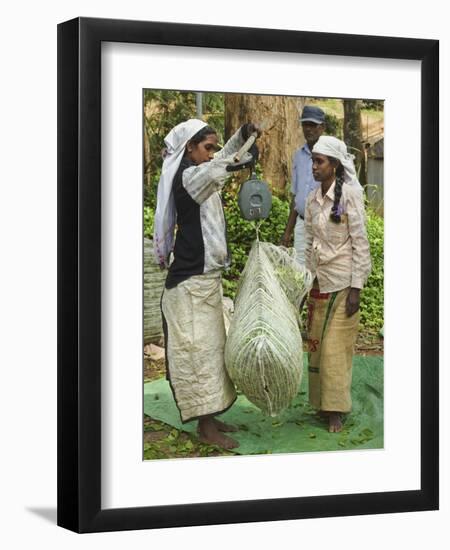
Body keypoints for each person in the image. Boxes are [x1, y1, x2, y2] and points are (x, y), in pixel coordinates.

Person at [153, 118, 260, 450]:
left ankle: (211, 418)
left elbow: (222, 159)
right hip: (188, 287)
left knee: (213, 355)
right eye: (207, 147)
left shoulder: (202, 169)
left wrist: (243, 133)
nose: (212, 153)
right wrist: (241, 157)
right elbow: (221, 167)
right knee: (198, 359)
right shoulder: (190, 177)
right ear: (189, 149)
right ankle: (205, 428)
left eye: (213, 147)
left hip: (205, 283)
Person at [304, 135, 371, 433]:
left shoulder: (350, 196)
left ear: (334, 165)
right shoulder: (311, 199)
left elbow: (360, 243)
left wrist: (357, 287)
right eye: (313, 161)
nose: (314, 167)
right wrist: (304, 281)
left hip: (344, 283)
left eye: (319, 162)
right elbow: (307, 243)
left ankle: (336, 410)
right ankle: (321, 404)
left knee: (335, 349)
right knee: (317, 347)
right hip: (319, 281)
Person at [281, 105, 326, 264]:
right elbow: (296, 196)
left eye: (313, 125)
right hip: (301, 225)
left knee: (321, 273)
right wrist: (288, 231)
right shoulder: (299, 155)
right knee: (300, 273)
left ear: (322, 127)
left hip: (323, 227)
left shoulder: (331, 157)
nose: (308, 129)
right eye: (305, 124)